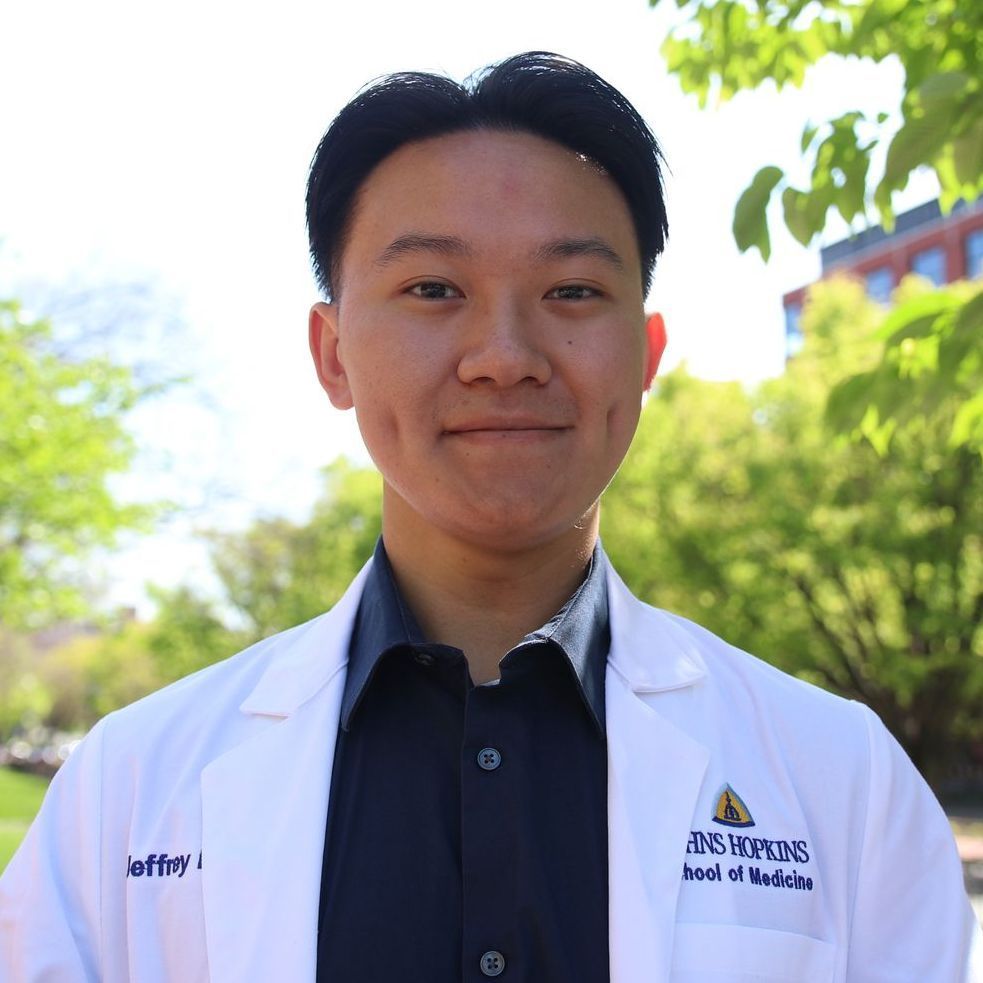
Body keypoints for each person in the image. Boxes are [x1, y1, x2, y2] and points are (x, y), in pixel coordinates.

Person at [0, 51, 979, 983]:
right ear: (332, 350)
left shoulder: (839, 777)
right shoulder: (127, 788)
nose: (503, 353)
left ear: (643, 352)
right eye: (433, 289)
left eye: (570, 290)